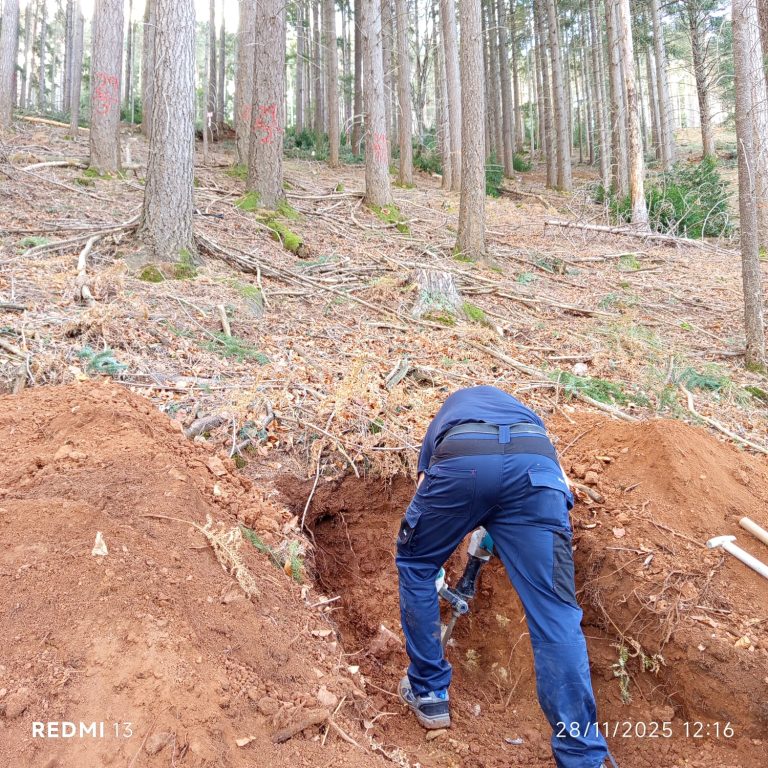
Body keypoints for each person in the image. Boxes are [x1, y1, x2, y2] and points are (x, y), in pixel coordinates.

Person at [396, 385, 612, 768]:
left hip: (464, 462)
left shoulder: (448, 415)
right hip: (537, 473)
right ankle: (582, 754)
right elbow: (538, 491)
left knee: (416, 565)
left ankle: (429, 693)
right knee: (556, 613)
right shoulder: (532, 424)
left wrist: (436, 566)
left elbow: (428, 493)